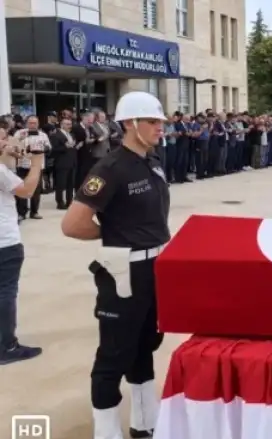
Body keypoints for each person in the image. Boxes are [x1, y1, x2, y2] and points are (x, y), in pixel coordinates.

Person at [61, 91, 170, 439]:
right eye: (152, 121)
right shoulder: (109, 168)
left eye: (160, 121)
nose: (160, 127)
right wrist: (115, 233)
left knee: (145, 344)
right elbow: (73, 224)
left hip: (155, 268)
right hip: (124, 270)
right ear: (130, 124)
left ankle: (144, 420)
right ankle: (106, 430)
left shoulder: (152, 161)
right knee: (114, 353)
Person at [0, 127, 44, 365]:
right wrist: (36, 163)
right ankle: (6, 346)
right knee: (6, 293)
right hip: (4, 242)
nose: (6, 141)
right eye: (2, 138)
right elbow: (26, 191)